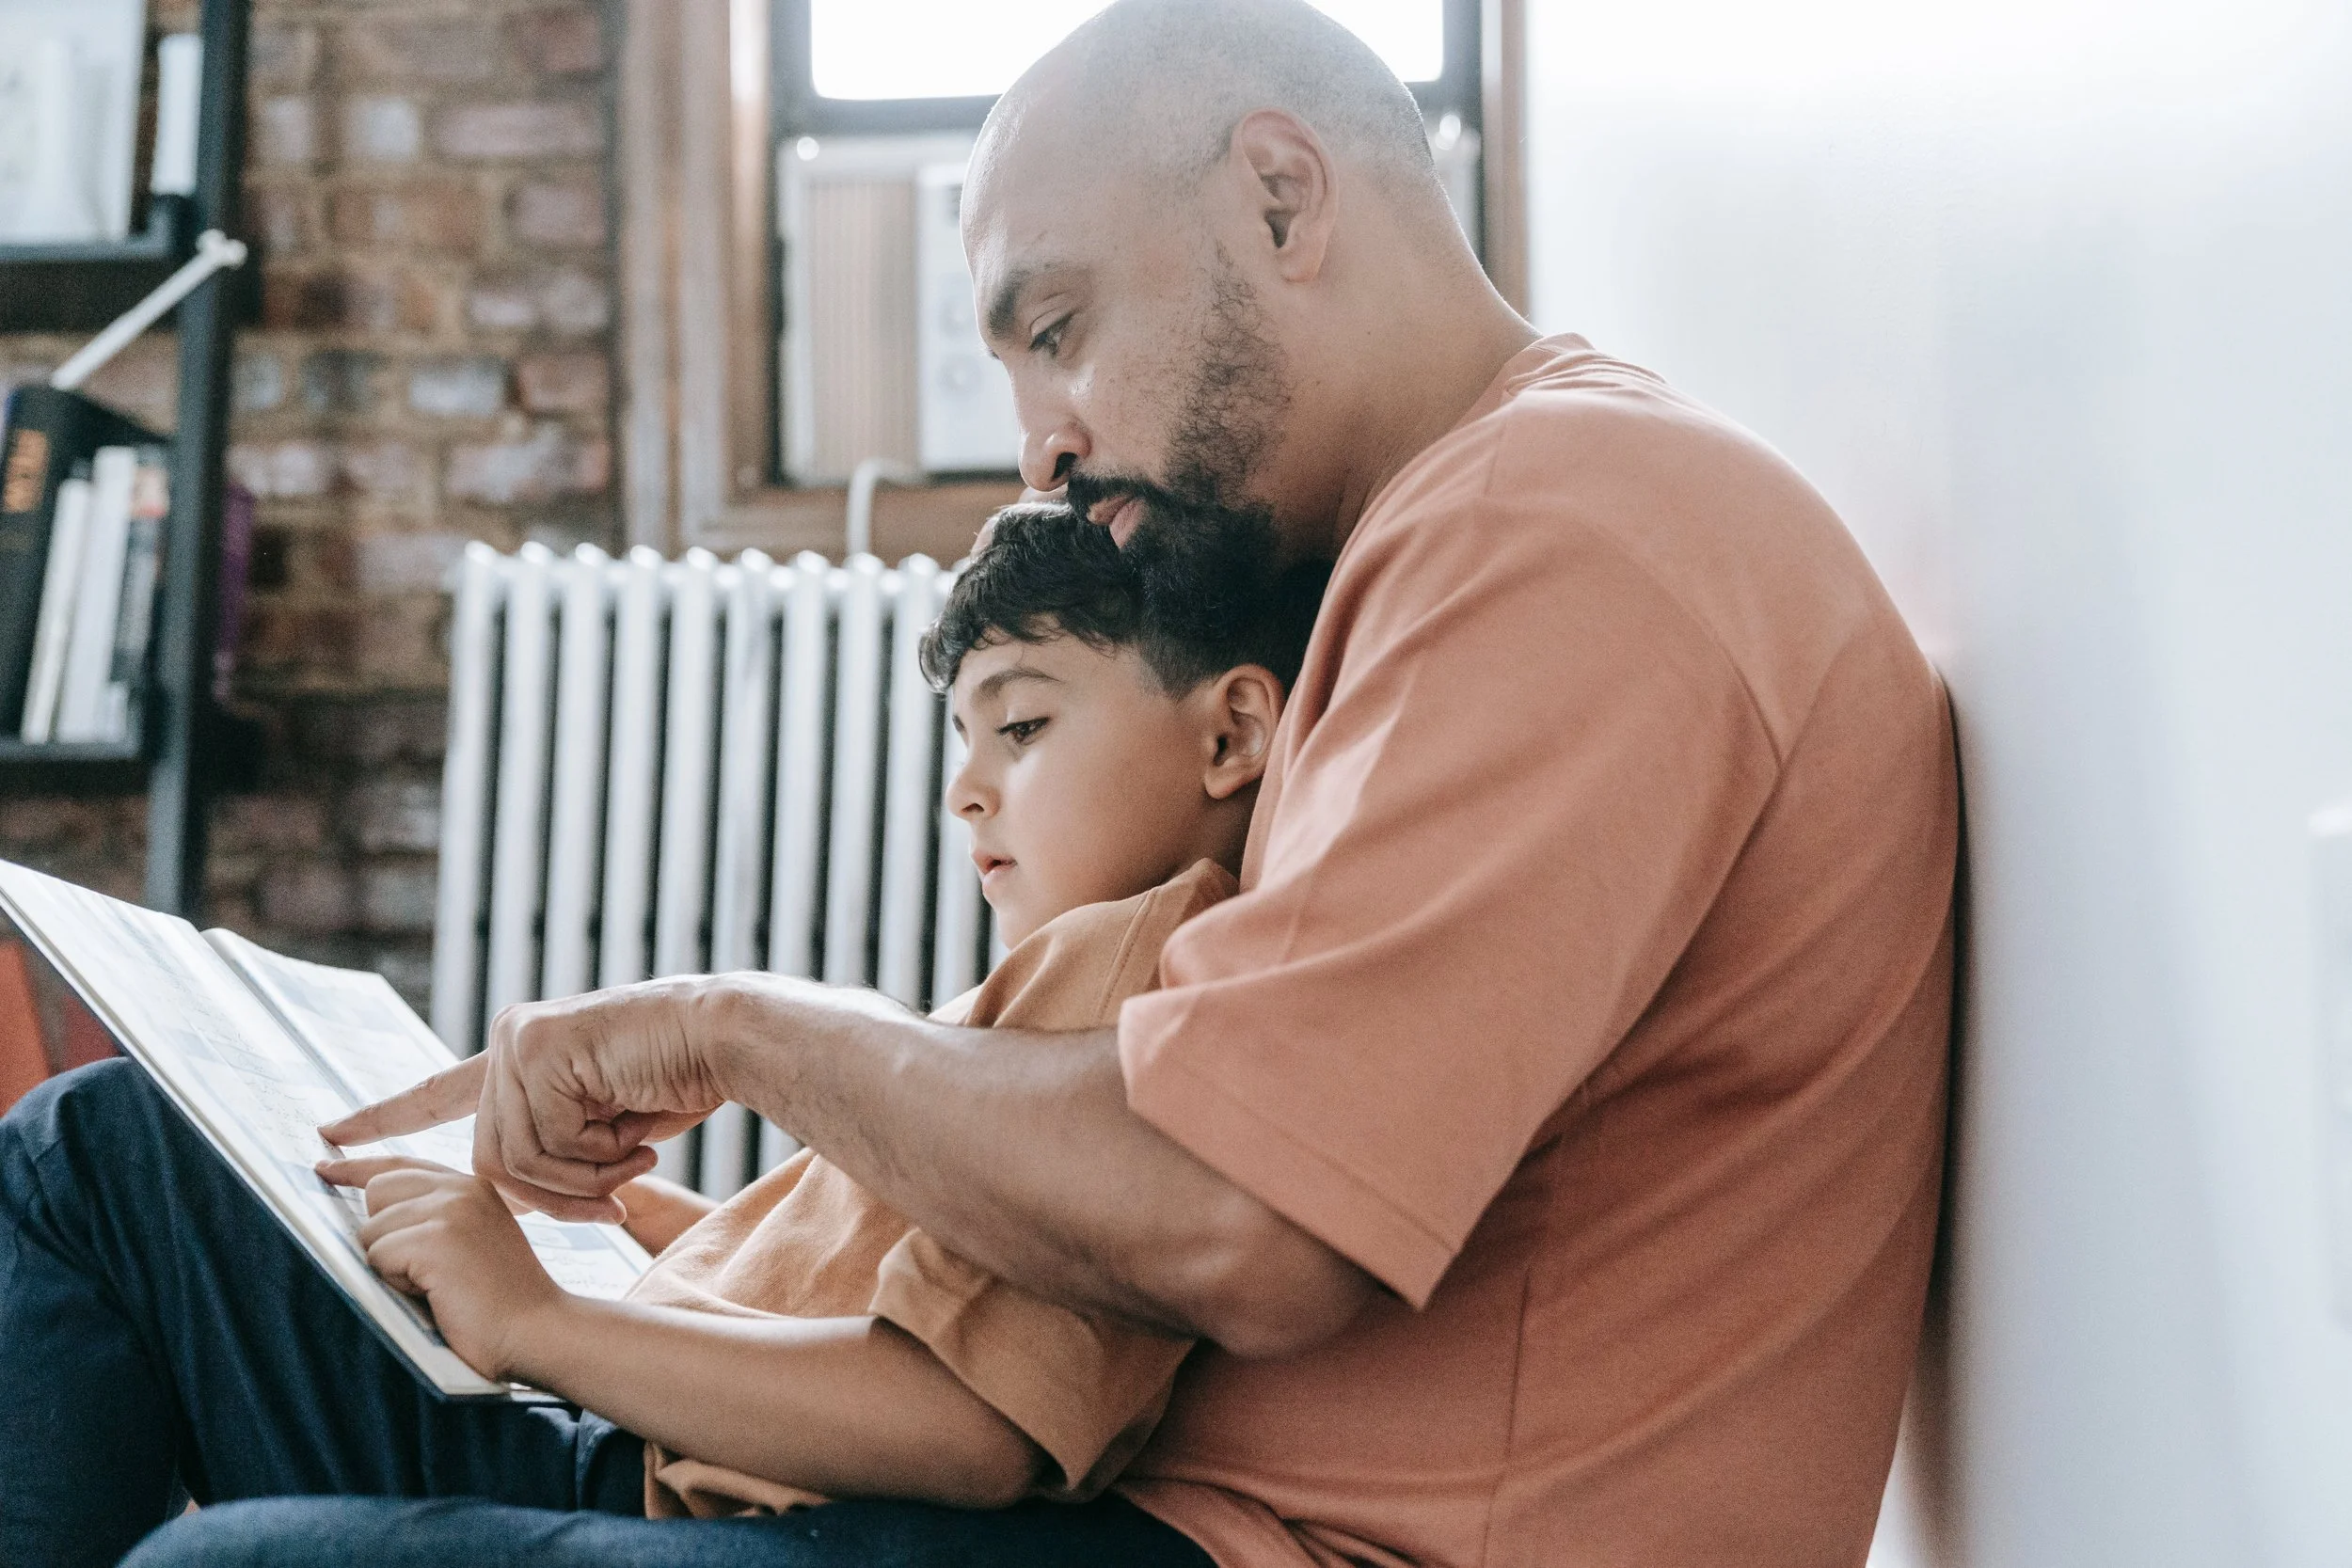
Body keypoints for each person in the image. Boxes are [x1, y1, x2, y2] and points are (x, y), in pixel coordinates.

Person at [26, 0, 1961, 1561]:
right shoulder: (1392, 564)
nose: (1039, 445)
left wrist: (733, 1028)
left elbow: (1234, 1220)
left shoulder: (1573, 533)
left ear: (1281, 201)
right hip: (1109, 1487)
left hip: (1248, 1535)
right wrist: (637, 1236)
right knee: (102, 1159)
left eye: (1058, 329)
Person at [0, 500, 1323, 1565]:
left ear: (1231, 731)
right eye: (963, 740)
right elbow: (883, 1285)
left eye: (1023, 724)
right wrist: (648, 1225)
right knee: (112, 1136)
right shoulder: (1059, 979)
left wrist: (532, 1318)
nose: (965, 790)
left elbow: (970, 1421)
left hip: (632, 1459)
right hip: (627, 1395)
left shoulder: (1143, 971)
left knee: (77, 1162)